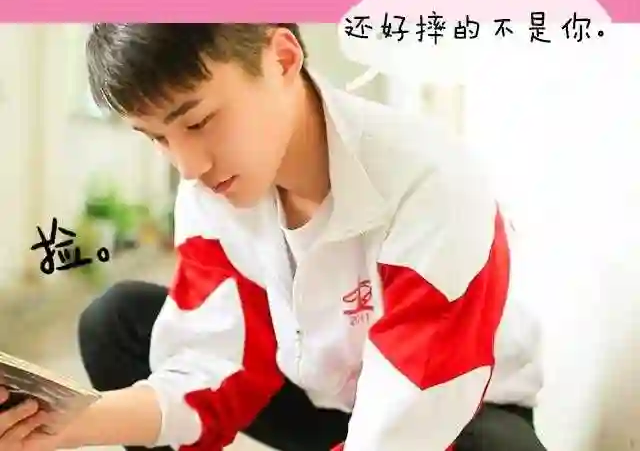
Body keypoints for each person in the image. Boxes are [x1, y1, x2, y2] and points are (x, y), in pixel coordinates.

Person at [0, 23, 546, 451]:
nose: (189, 166)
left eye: (198, 121)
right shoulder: (211, 190)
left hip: (453, 414)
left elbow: (411, 416)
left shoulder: (431, 181)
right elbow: (211, 366)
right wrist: (61, 426)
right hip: (319, 399)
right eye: (157, 138)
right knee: (117, 322)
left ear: (282, 59)